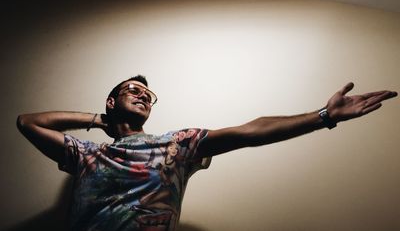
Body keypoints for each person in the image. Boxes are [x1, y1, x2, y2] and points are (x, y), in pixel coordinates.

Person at [16, 75, 397, 231]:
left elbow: (249, 131)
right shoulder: (88, 155)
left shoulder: (176, 145)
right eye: (133, 90)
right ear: (113, 100)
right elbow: (28, 122)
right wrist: (102, 119)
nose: (144, 95)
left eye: (148, 96)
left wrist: (324, 116)